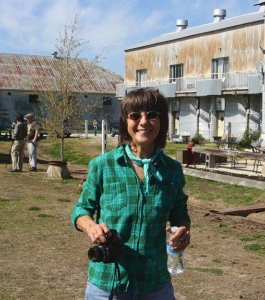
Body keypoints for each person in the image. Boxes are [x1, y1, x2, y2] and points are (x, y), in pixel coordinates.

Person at [71, 88, 191, 299]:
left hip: (155, 284)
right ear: (126, 122)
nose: (144, 121)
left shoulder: (172, 170)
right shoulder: (103, 165)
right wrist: (91, 227)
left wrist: (183, 232)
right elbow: (81, 210)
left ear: (162, 122)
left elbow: (180, 214)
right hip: (108, 284)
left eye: (152, 115)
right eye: (135, 115)